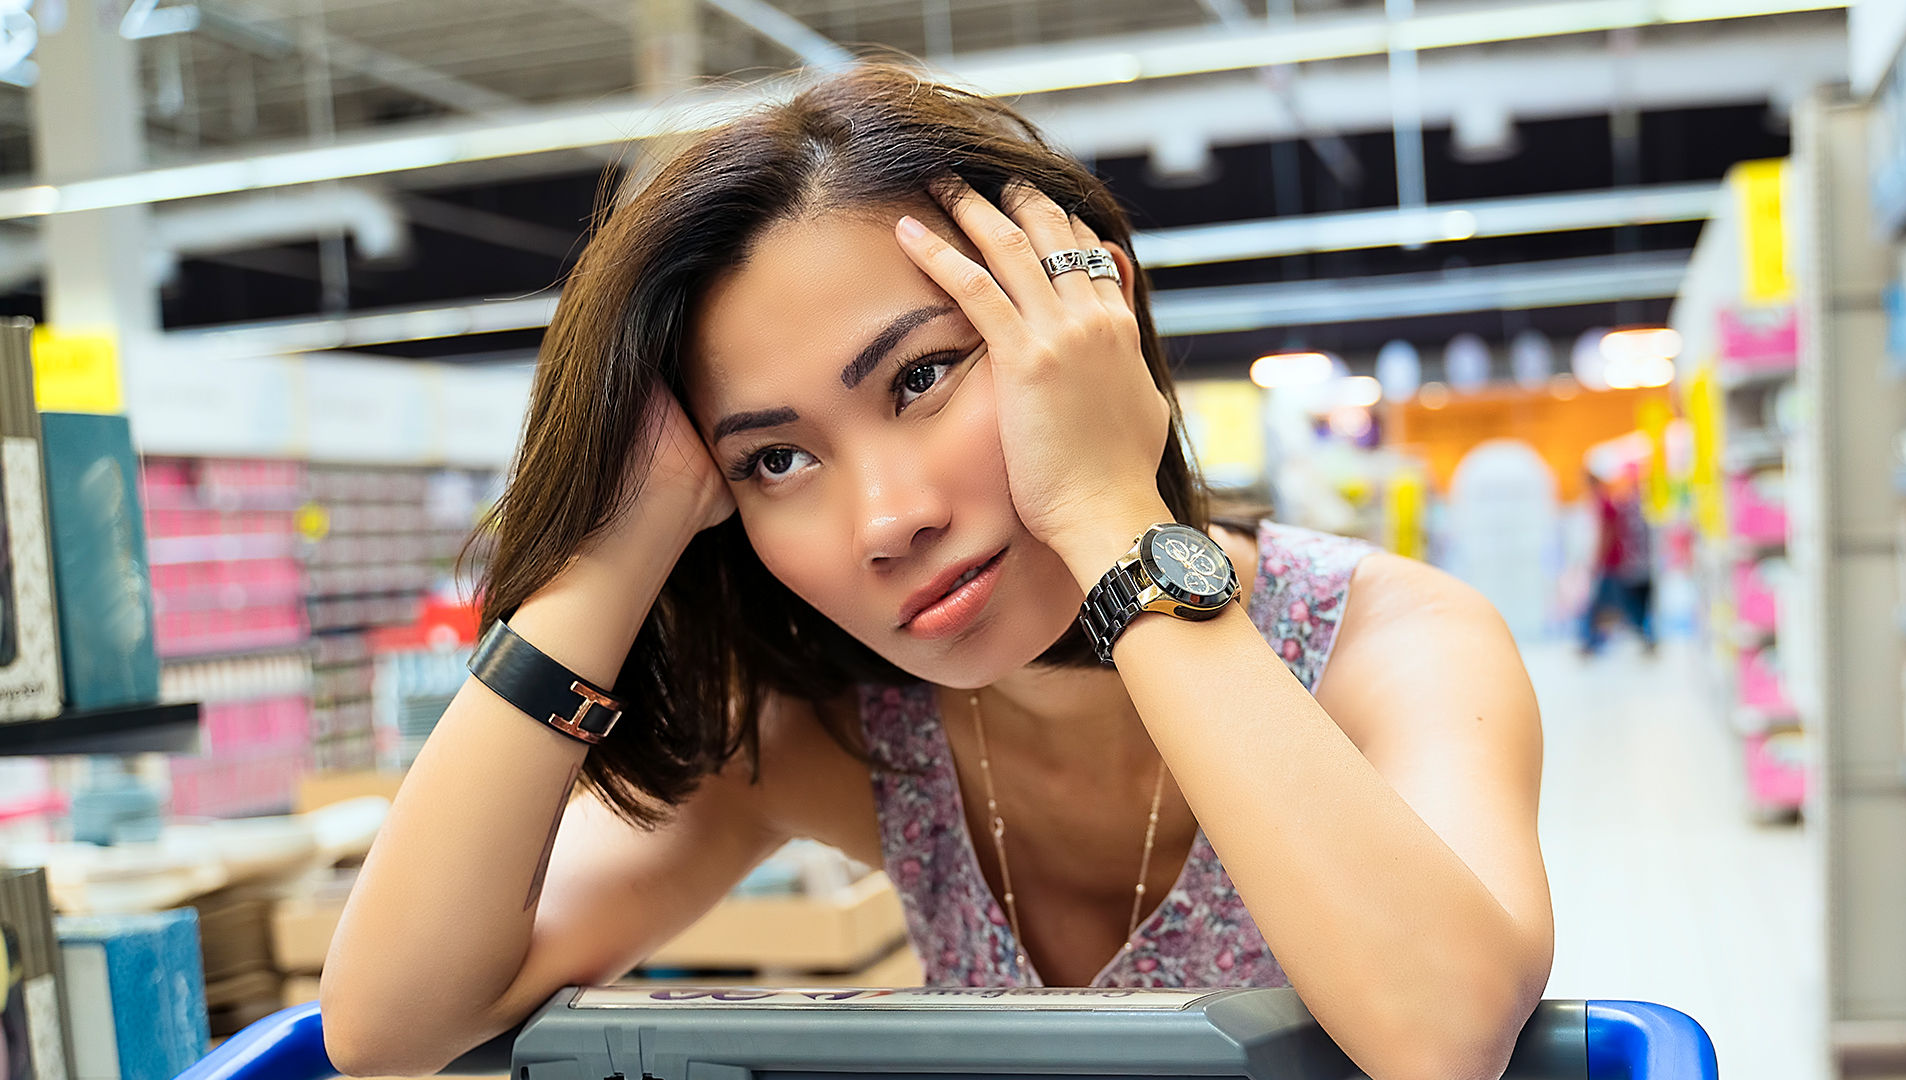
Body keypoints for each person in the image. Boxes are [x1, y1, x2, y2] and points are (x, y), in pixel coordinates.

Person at [322, 64, 1552, 1080]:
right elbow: (395, 1032)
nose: (885, 519)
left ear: (1088, 322)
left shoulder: (1388, 644)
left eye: (921, 377)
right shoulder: (840, 736)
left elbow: (1441, 1034)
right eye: (777, 457)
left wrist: (1109, 512)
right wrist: (616, 545)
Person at [1580, 468, 1655, 655]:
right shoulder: (1605, 501)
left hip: (1612, 563)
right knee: (1618, 604)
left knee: (1610, 603)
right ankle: (1592, 641)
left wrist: (1598, 558)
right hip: (1615, 562)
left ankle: (1592, 641)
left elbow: (1608, 533)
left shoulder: (1604, 503)